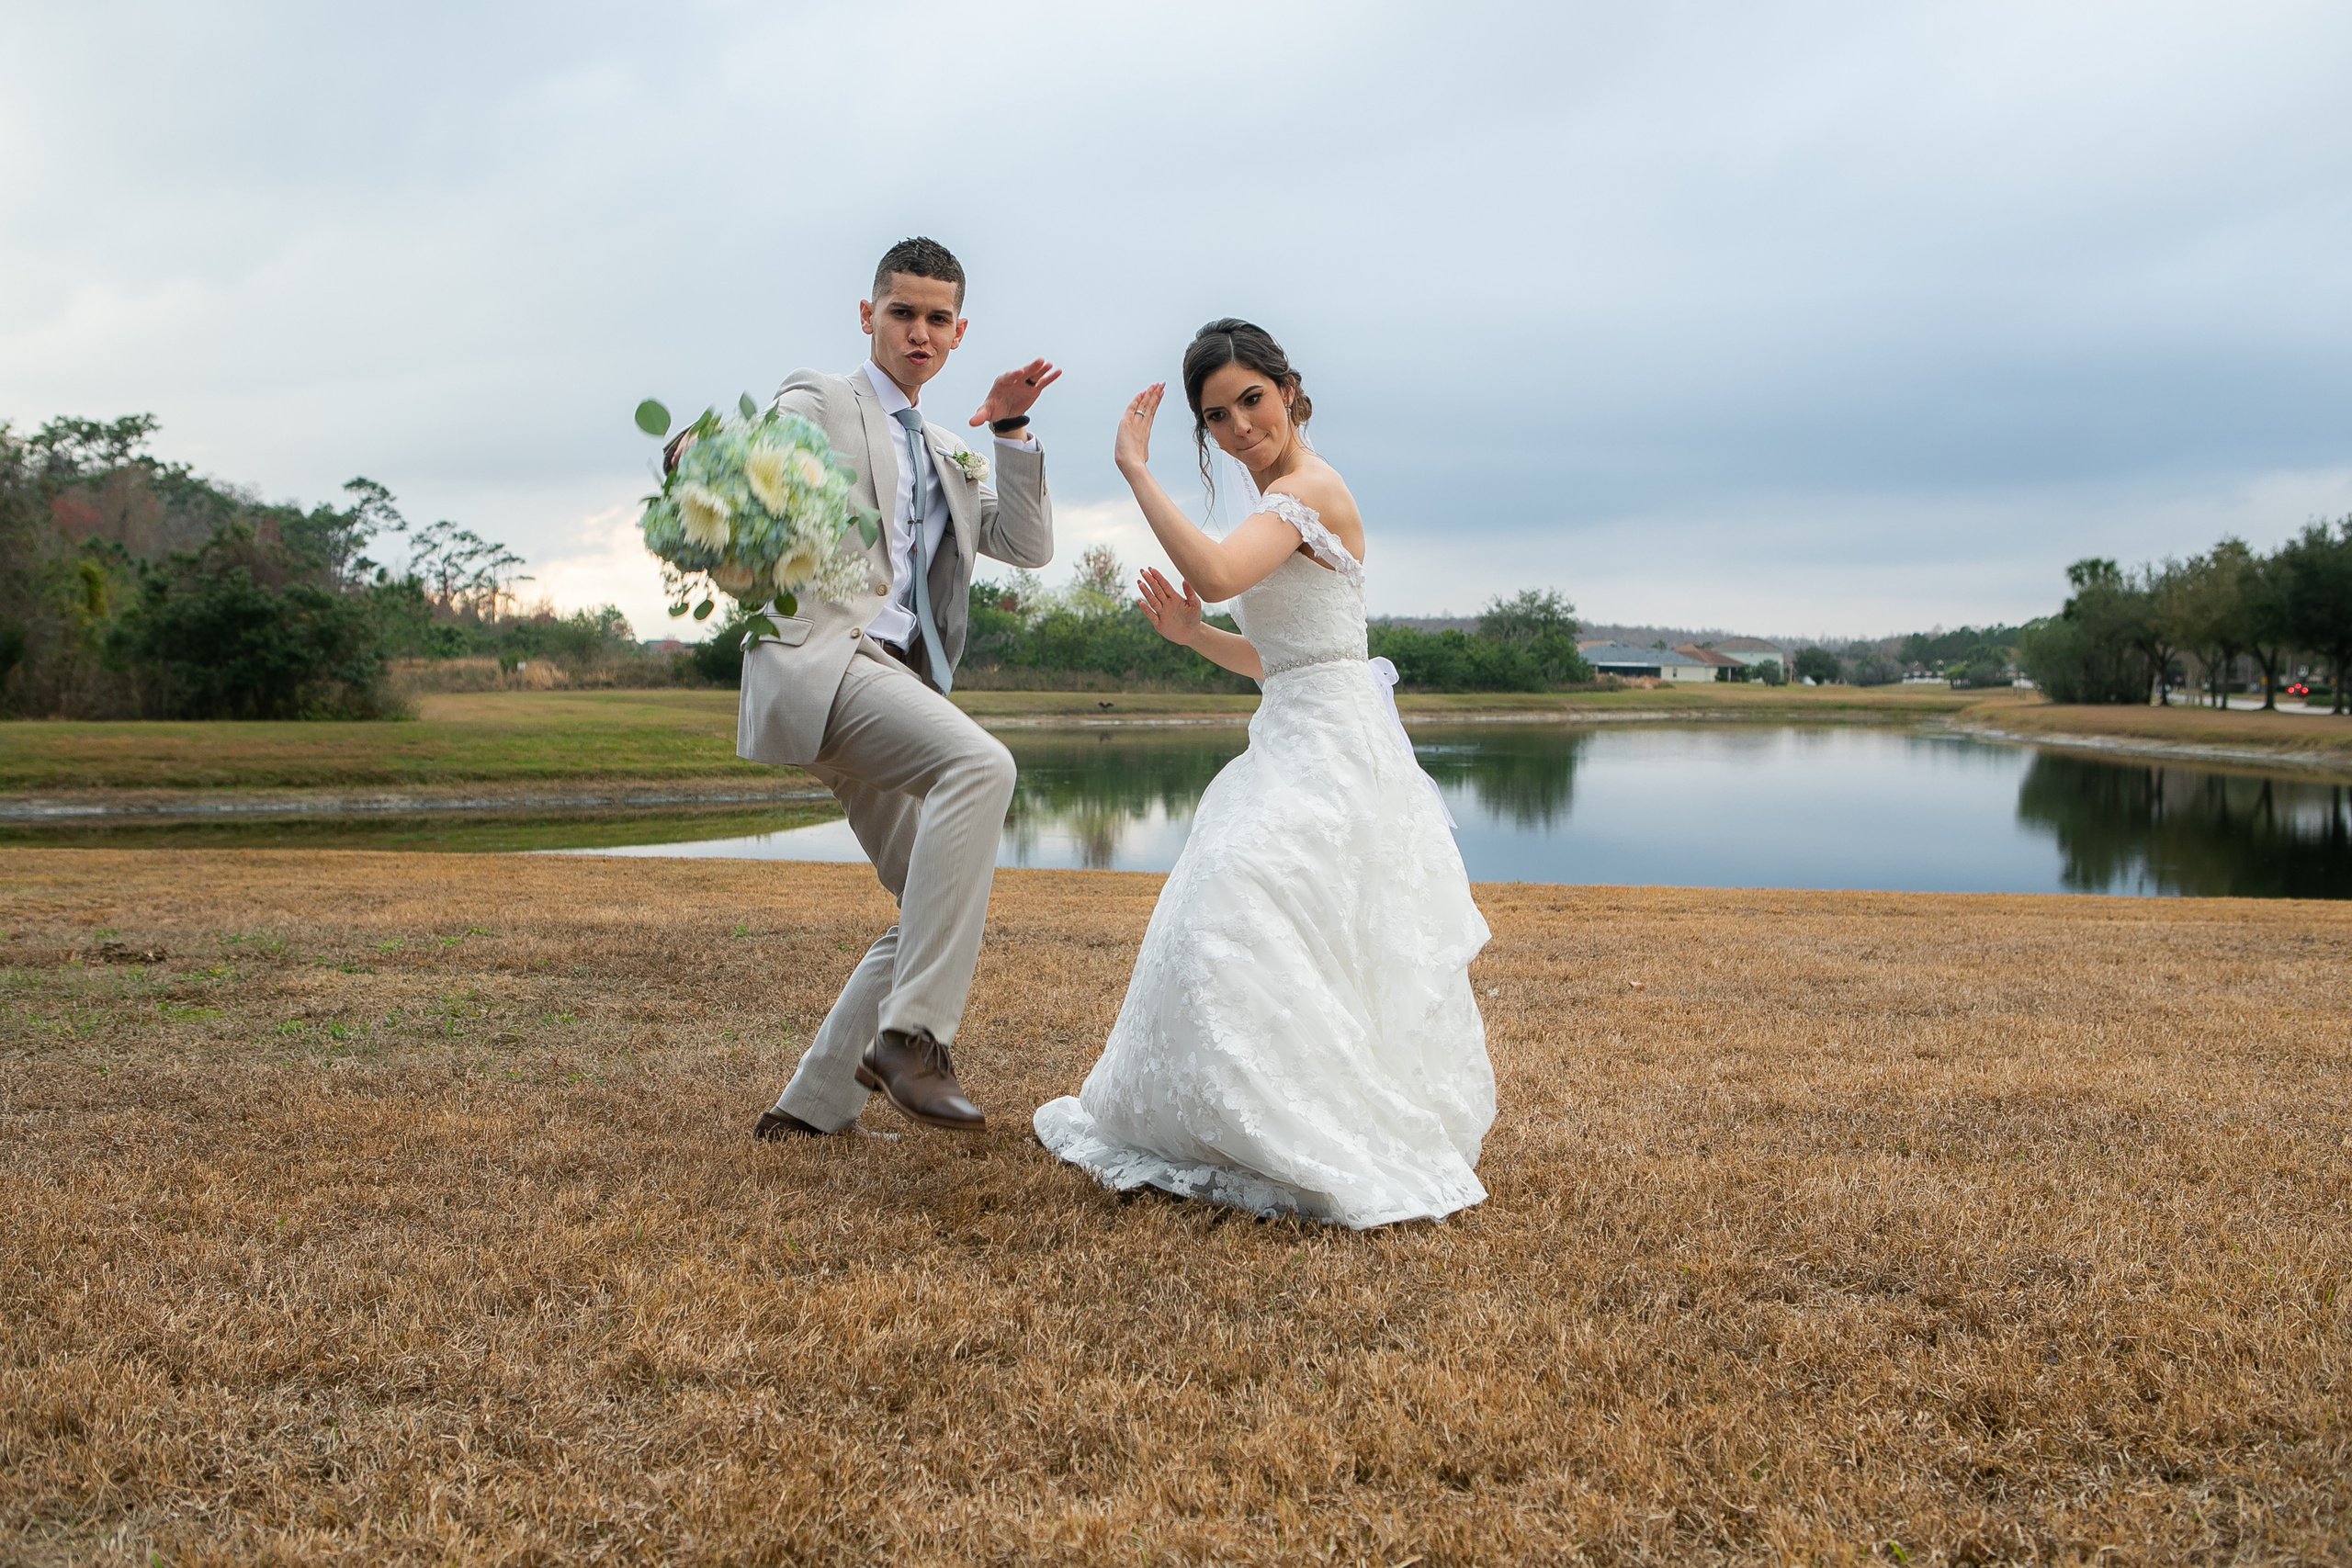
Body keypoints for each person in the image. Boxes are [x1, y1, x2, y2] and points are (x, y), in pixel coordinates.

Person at [1032, 320, 1495, 1228]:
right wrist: (1189, 638)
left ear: (1288, 390)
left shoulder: (1306, 491)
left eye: (1251, 399)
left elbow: (1207, 569)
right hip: (1294, 724)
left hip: (1331, 750)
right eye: (1216, 415)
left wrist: (1134, 468)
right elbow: (1282, 659)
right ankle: (1236, 1120)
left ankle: (1307, 1130)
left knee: (1239, 901)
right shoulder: (1278, 502)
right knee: (1247, 914)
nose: (1240, 425)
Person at [739, 237, 1057, 1140]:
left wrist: (1009, 432)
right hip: (828, 666)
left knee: (929, 901)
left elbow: (1027, 549)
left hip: (897, 687)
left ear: (959, 333)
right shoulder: (825, 399)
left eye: (936, 319)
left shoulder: (953, 450)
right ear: (868, 314)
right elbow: (773, 439)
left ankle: (808, 1112)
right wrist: (708, 451)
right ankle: (913, 1039)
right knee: (982, 767)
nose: (918, 332)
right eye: (902, 313)